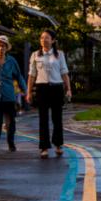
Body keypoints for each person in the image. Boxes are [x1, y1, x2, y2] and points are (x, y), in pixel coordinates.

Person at [26, 29, 71, 159]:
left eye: (47, 37)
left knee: (57, 119)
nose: (43, 40)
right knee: (43, 119)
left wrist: (68, 89)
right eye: (41, 37)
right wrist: (29, 92)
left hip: (57, 88)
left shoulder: (59, 55)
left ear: (53, 40)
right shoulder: (35, 55)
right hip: (42, 89)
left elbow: (64, 73)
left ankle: (58, 145)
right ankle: (44, 147)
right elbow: (31, 75)